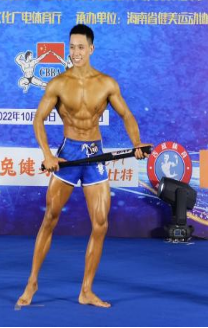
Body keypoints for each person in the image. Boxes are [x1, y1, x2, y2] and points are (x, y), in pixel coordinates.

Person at [16, 24, 150, 309]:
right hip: (68, 155)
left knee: (101, 223)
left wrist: (137, 142)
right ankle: (32, 282)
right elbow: (38, 119)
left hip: (95, 155)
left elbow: (126, 115)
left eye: (80, 47)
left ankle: (86, 290)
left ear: (91, 48)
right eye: (72, 47)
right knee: (50, 217)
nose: (75, 52)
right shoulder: (59, 83)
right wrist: (47, 154)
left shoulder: (106, 83)